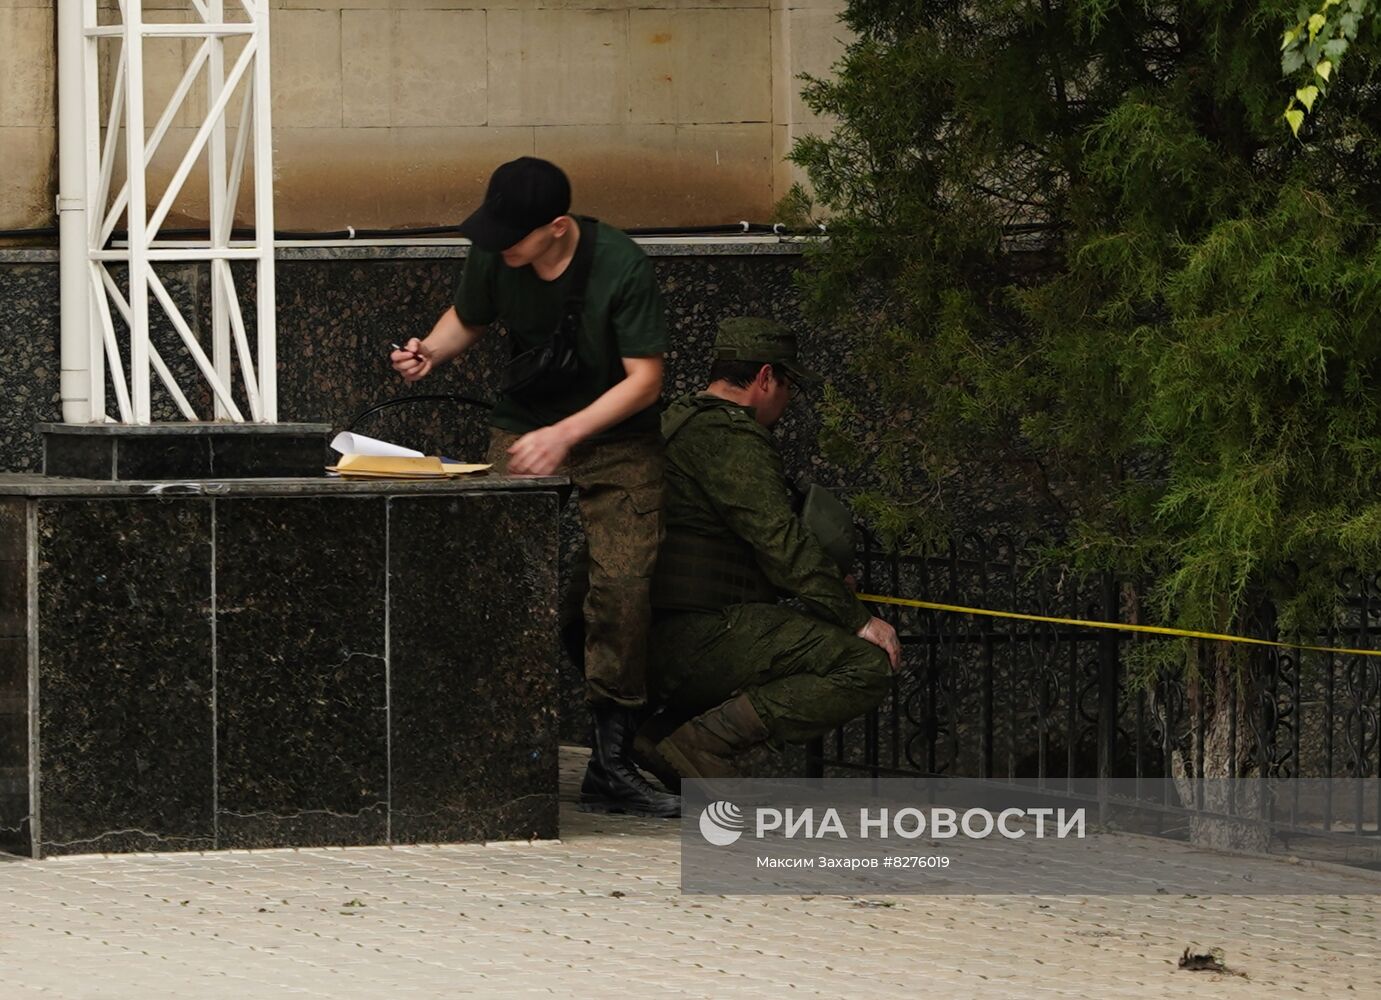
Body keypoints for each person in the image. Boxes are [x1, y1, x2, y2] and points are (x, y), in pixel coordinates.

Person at [392, 157, 678, 818]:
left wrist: (566, 434)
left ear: (556, 228)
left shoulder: (622, 267)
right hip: (525, 425)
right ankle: (488, 747)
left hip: (616, 436)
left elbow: (645, 380)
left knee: (624, 586)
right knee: (501, 578)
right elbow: (469, 316)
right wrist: (430, 351)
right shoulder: (498, 251)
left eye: (511, 237)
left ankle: (610, 762)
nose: (497, 246)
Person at [641, 317, 902, 783]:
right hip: (693, 636)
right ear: (765, 377)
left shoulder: (678, 421)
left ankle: (660, 733)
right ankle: (699, 743)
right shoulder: (729, 437)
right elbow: (780, 542)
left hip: (655, 633)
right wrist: (857, 618)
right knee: (865, 665)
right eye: (787, 386)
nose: (786, 401)